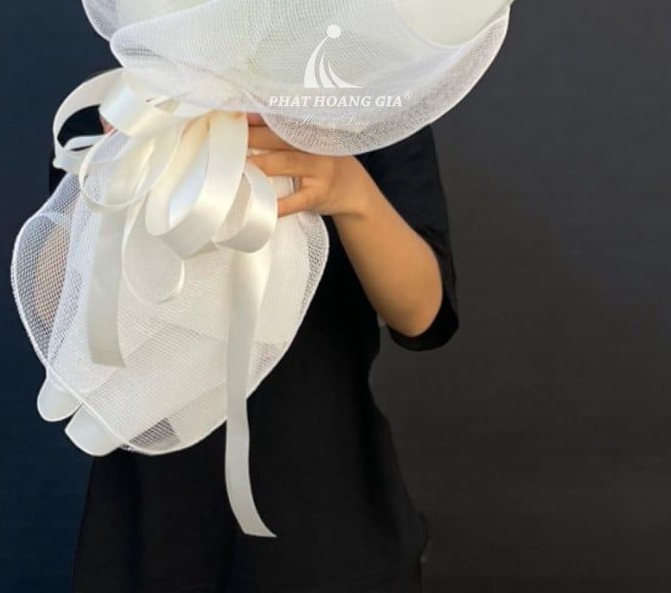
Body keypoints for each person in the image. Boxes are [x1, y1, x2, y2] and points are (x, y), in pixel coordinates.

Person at [54, 102, 459, 593]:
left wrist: (350, 190)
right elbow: (59, 319)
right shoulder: (120, 109)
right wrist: (115, 169)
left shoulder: (370, 107)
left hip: (327, 522)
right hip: (150, 530)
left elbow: (422, 316)